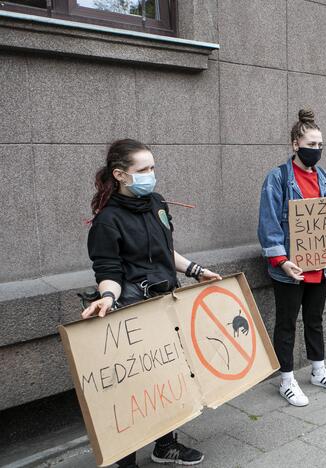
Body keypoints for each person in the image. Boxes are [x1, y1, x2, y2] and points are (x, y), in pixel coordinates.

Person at [82, 139, 221, 467]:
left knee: (169, 378)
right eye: (143, 170)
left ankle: (165, 445)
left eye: (153, 168)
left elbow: (165, 252)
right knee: (133, 390)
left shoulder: (157, 204)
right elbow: (109, 270)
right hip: (132, 312)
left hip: (165, 304)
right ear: (120, 175)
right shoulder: (107, 221)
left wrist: (196, 271)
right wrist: (106, 297)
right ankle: (125, 459)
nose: (151, 175)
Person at [258, 109, 326, 407]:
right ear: (295, 145)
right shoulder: (278, 178)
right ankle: (286, 380)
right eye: (311, 144)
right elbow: (269, 223)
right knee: (286, 323)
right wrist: (281, 261)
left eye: (320, 145)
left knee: (315, 319)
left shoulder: (325, 178)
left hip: (321, 267)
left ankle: (318, 370)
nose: (316, 150)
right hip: (291, 269)